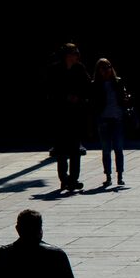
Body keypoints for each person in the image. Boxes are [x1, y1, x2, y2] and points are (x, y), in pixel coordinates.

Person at [53, 44, 90, 192]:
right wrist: (65, 96)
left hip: (76, 115)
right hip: (61, 115)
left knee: (75, 150)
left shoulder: (79, 69)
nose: (76, 56)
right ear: (67, 55)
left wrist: (79, 97)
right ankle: (64, 179)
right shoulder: (55, 70)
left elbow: (87, 86)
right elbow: (50, 89)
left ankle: (73, 179)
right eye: (74, 53)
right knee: (61, 151)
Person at [90, 58, 130, 188]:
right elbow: (93, 103)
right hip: (103, 119)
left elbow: (124, 98)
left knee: (118, 148)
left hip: (117, 118)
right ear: (98, 70)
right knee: (106, 149)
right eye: (103, 68)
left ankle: (120, 175)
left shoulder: (117, 82)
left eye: (108, 67)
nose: (106, 70)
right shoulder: (96, 84)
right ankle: (108, 176)